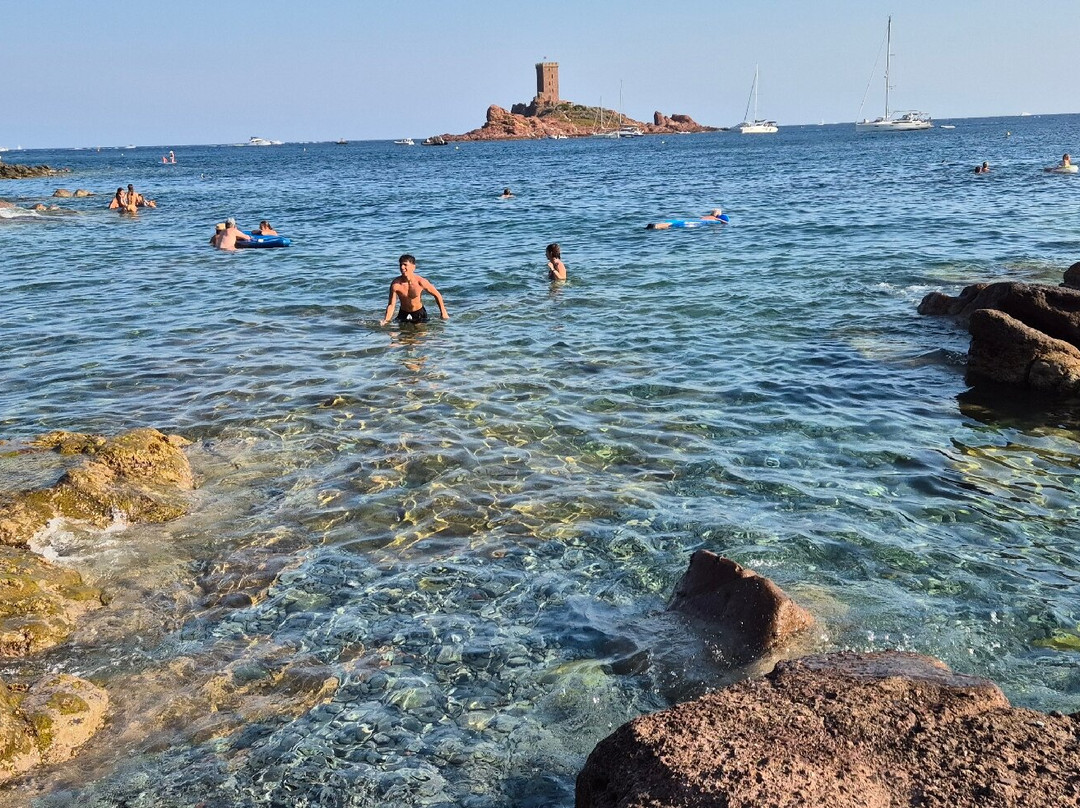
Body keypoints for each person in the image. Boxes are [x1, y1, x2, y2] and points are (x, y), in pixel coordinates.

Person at [380, 254, 449, 325]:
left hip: (418, 313)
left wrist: (443, 312)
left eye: (405, 264)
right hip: (403, 313)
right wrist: (386, 320)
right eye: (400, 265)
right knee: (402, 331)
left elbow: (437, 295)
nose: (402, 267)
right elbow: (391, 305)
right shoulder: (395, 284)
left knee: (420, 331)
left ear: (413, 267)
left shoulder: (421, 282)